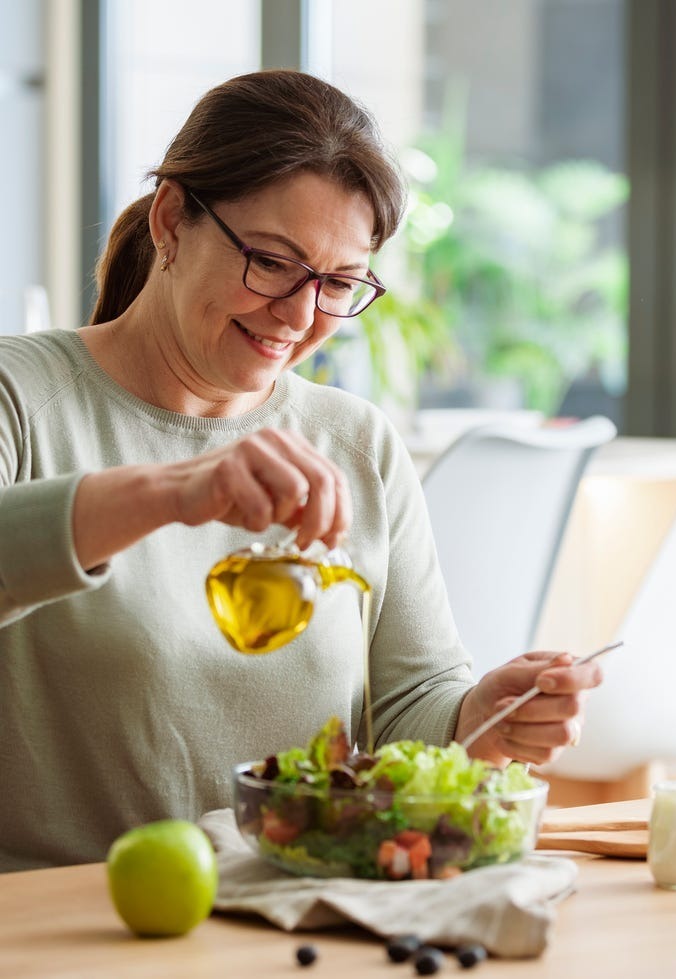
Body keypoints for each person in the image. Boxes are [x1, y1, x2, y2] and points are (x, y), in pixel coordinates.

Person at [0, 70, 603, 873]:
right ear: (173, 218)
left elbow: (406, 707)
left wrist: (476, 719)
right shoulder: (21, 397)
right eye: (271, 262)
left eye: (339, 283)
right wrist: (175, 491)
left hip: (303, 915)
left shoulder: (354, 441)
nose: (298, 313)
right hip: (74, 926)